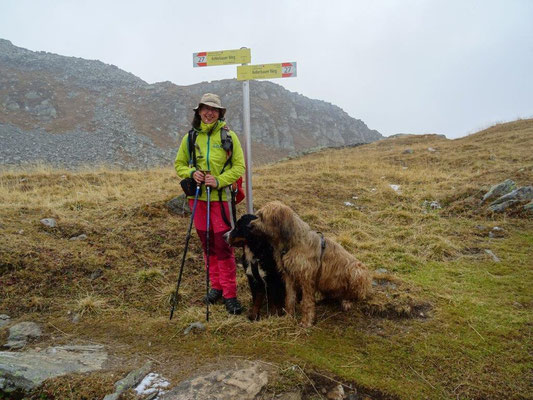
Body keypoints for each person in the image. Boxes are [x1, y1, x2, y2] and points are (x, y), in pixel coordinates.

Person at [174, 93, 246, 315]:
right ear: (199, 112)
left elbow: (239, 167)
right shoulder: (190, 138)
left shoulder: (229, 137)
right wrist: (192, 172)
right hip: (197, 201)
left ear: (220, 113)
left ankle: (230, 294)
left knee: (223, 246)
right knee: (207, 245)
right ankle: (215, 288)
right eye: (205, 108)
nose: (209, 112)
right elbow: (179, 164)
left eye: (213, 109)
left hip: (221, 201)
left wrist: (219, 181)